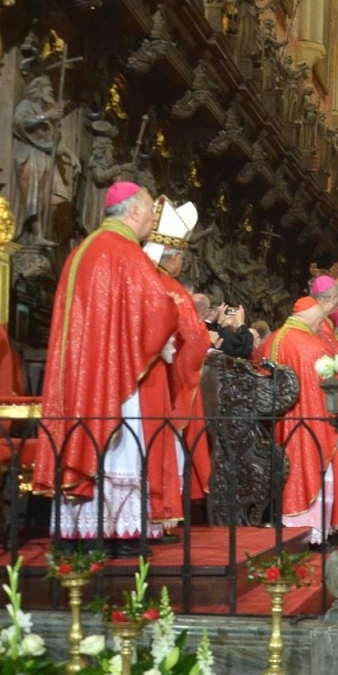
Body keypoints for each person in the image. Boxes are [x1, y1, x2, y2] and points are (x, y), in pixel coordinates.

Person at [35, 182, 183, 554]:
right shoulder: (127, 254)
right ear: (133, 211)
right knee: (122, 446)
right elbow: (157, 311)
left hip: (84, 375)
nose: (152, 219)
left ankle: (81, 531)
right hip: (118, 378)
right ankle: (120, 531)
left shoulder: (82, 252)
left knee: (89, 438)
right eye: (150, 212)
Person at [146, 200, 211, 510]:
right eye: (181, 256)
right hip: (166, 382)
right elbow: (194, 338)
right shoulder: (171, 287)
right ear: (169, 256)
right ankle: (164, 509)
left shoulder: (146, 279)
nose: (183, 262)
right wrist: (204, 341)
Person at [266, 296, 338, 543]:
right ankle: (313, 535)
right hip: (310, 423)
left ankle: (291, 531)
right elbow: (329, 387)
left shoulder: (273, 338)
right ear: (317, 320)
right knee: (313, 471)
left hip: (281, 423)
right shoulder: (312, 346)